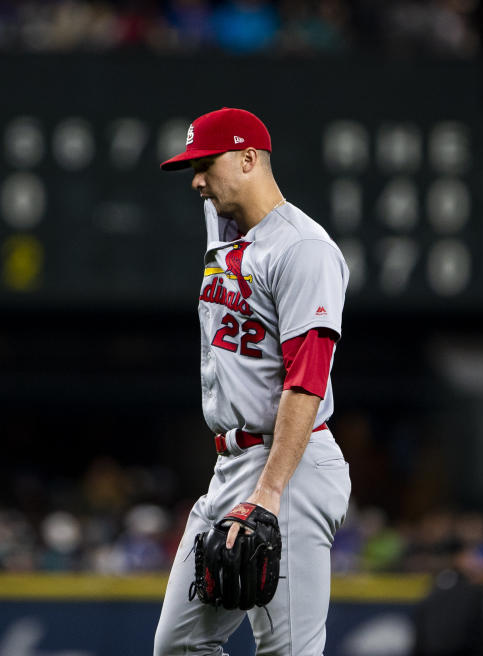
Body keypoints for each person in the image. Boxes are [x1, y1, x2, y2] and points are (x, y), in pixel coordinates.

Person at [154, 107, 352, 656]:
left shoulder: (303, 250)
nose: (195, 180)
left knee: (287, 652)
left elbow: (307, 379)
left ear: (248, 159)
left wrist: (267, 496)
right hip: (231, 466)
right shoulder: (228, 231)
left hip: (289, 467)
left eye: (204, 164)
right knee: (178, 646)